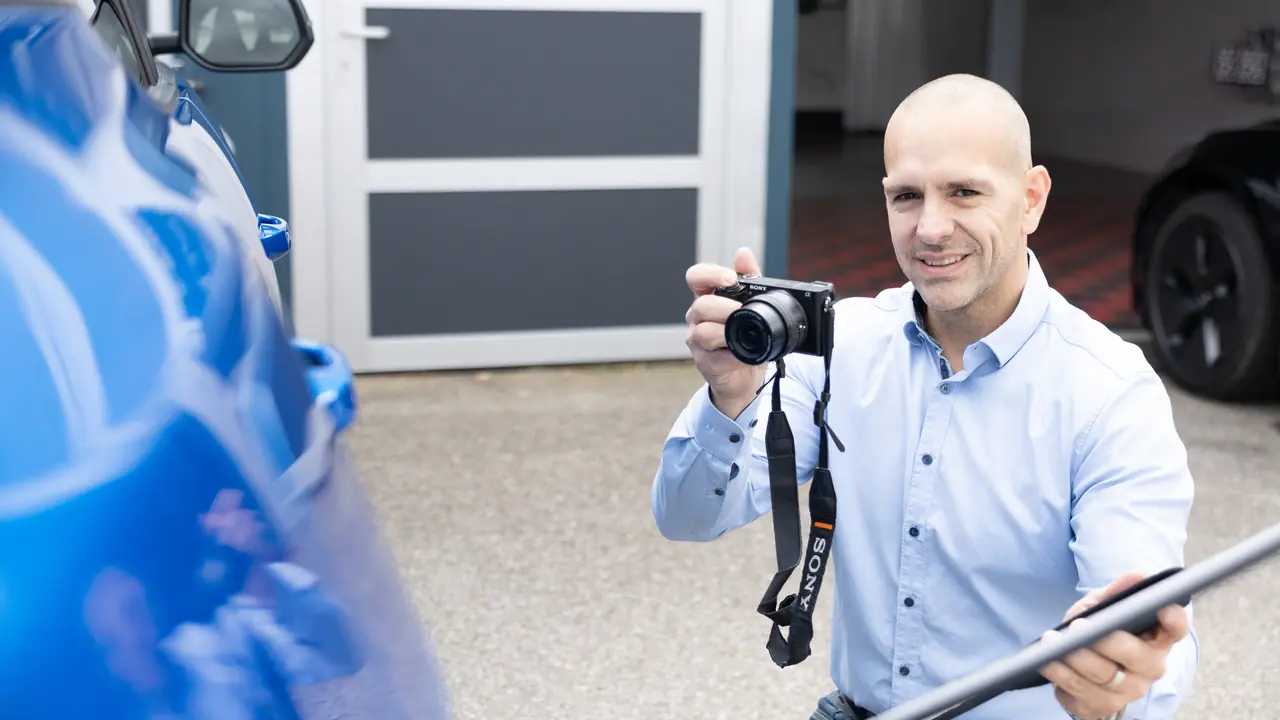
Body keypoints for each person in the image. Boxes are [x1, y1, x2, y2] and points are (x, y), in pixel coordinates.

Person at [651, 73, 1198, 720]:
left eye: (964, 192)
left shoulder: (1109, 394)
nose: (931, 229)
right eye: (906, 196)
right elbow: (686, 519)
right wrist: (730, 399)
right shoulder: (838, 347)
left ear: (1031, 198)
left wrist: (1122, 676)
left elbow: (1147, 624)